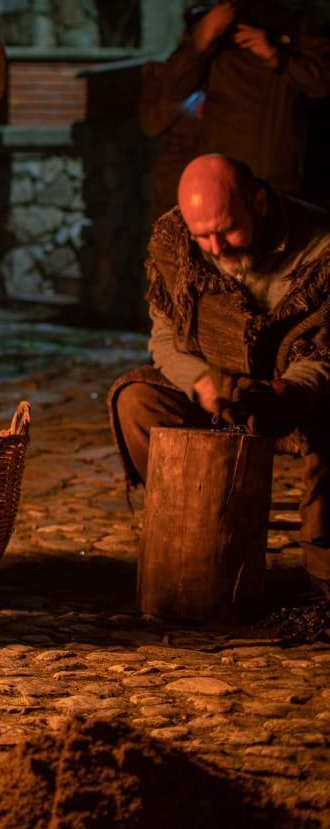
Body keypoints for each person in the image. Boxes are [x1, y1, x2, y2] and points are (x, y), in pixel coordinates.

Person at [110, 155, 330, 600]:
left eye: (227, 230)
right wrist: (208, 387)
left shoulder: (321, 251)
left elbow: (326, 351)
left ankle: (324, 565)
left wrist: (288, 393)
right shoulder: (176, 246)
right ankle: (199, 530)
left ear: (261, 204)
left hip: (292, 394)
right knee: (135, 401)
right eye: (202, 235)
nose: (214, 247)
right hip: (220, 388)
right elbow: (166, 341)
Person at [163, 0, 330, 196]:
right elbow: (172, 89)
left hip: (280, 180)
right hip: (224, 179)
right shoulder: (212, 28)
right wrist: (199, 43)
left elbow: (322, 83)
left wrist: (278, 57)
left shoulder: (296, 25)